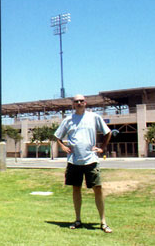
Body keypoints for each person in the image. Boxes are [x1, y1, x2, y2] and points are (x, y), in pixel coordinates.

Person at [55, 94, 113, 233]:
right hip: (74, 161)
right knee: (76, 189)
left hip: (91, 160)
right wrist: (63, 147)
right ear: (73, 104)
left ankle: (103, 222)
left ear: (85, 103)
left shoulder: (94, 117)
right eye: (76, 101)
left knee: (98, 189)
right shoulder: (68, 120)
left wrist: (102, 148)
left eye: (81, 101)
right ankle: (78, 219)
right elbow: (57, 136)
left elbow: (107, 132)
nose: (79, 103)